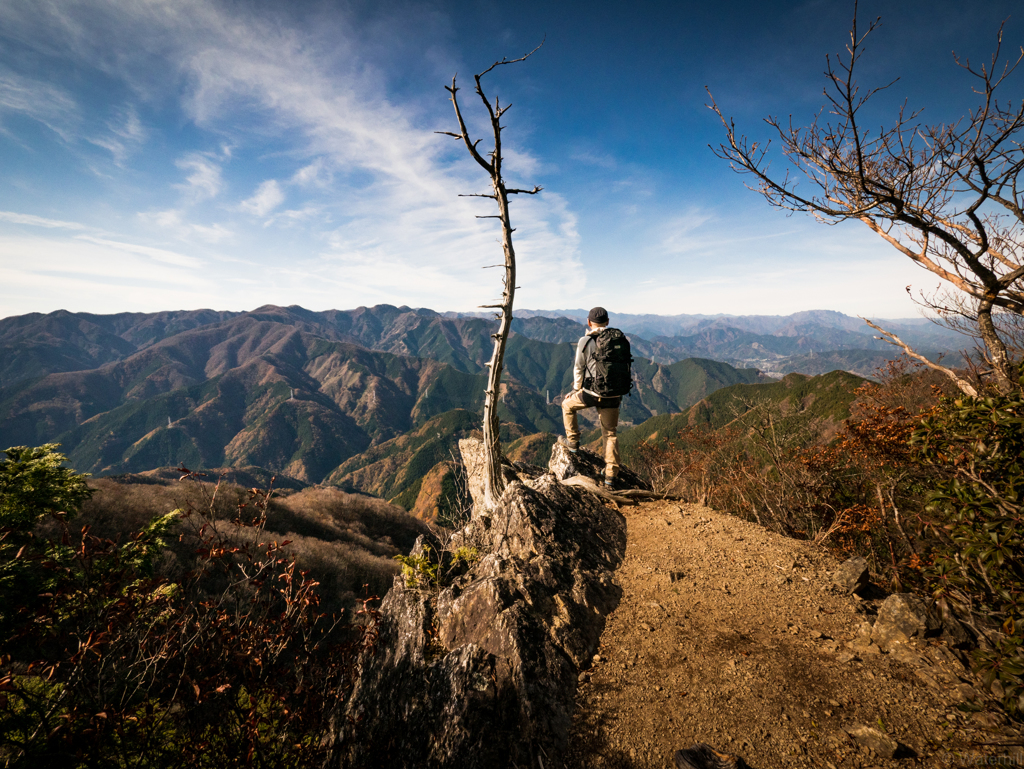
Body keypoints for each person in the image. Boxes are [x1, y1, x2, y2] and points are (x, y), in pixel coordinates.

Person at [561, 306, 625, 488]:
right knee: (610, 432)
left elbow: (578, 368)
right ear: (608, 322)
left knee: (567, 406)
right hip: (614, 394)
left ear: (589, 322)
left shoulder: (585, 340)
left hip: (592, 394)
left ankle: (573, 442)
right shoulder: (619, 339)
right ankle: (611, 474)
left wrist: (575, 389)